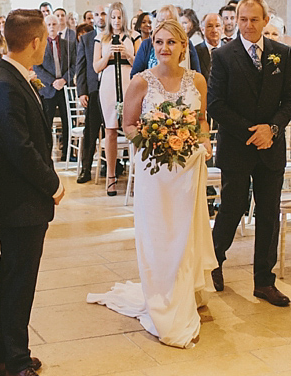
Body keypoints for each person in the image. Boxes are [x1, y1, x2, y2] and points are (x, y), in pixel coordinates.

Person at [87, 19, 216, 348]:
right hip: (154, 170)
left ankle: (185, 291)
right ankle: (161, 294)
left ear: (183, 47)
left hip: (188, 170)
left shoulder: (197, 81)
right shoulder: (141, 82)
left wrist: (203, 142)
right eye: (158, 42)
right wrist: (156, 141)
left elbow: (201, 121)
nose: (164, 48)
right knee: (160, 233)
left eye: (171, 42)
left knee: (185, 232)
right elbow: (128, 125)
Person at [0, 9, 63, 376]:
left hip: (21, 201)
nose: (46, 43)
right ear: (35, 42)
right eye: (45, 37)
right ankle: (16, 368)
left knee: (13, 280)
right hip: (18, 201)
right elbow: (19, 148)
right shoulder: (4, 85)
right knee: (17, 285)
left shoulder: (14, 78)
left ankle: (2, 358)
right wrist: (53, 184)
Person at [207, 0, 291, 307]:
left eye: (254, 19)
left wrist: (271, 129)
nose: (248, 25)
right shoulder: (223, 56)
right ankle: (214, 260)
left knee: (269, 214)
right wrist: (252, 132)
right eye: (243, 19)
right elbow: (216, 104)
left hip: (271, 146)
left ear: (265, 19)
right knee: (232, 208)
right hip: (238, 145)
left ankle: (264, 281)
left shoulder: (281, 54)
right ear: (236, 20)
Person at [94, 2, 140, 196]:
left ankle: (137, 175)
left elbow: (140, 63)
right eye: (113, 17)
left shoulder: (134, 36)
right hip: (109, 83)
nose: (116, 21)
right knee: (110, 130)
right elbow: (96, 67)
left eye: (119, 17)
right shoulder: (100, 38)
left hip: (129, 81)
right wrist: (109, 56)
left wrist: (128, 54)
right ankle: (111, 176)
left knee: (133, 128)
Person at [34, 13, 76, 158]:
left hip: (65, 88)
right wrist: (53, 81)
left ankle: (67, 152)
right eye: (49, 25)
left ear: (59, 26)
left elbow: (74, 65)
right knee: (46, 122)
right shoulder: (40, 45)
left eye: (54, 24)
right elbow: (37, 67)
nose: (52, 27)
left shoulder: (68, 45)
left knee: (68, 120)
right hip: (48, 89)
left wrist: (63, 80)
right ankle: (46, 153)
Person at [75, 4, 107, 184]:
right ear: (92, 18)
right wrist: (82, 92)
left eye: (103, 13)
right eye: (97, 14)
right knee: (90, 131)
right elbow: (80, 67)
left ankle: (113, 165)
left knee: (113, 130)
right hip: (94, 91)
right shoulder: (86, 39)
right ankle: (86, 168)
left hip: (112, 90)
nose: (100, 17)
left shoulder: (114, 36)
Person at [131, 5, 201, 76]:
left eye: (169, 21)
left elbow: (196, 74)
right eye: (161, 21)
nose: (164, 24)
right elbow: (135, 75)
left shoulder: (186, 43)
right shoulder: (147, 44)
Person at [264, 16, 291, 101]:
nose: (270, 37)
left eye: (274, 34)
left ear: (281, 36)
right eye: (266, 33)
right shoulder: (257, 51)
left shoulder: (289, 51)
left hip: (285, 99)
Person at [195, 12, 223, 80]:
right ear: (202, 29)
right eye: (210, 26)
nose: (214, 30)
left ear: (223, 29)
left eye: (217, 26)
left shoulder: (230, 50)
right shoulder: (195, 52)